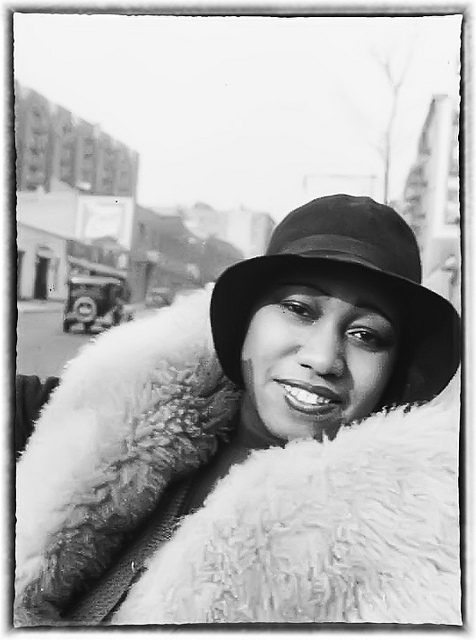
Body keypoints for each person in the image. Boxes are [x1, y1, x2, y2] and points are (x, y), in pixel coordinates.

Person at [14, 194, 461, 626]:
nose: (324, 358)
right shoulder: (97, 420)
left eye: (366, 335)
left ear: (393, 372)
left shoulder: (394, 560)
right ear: (247, 322)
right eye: (299, 309)